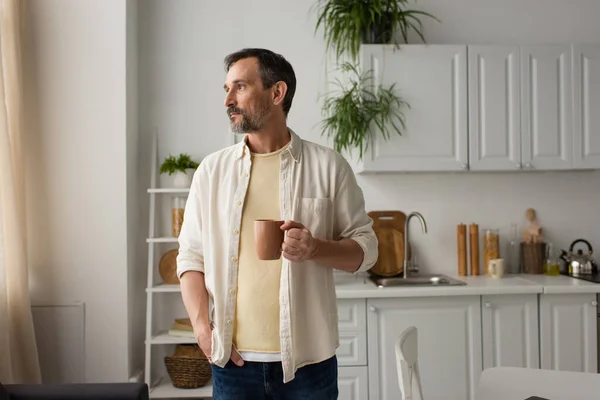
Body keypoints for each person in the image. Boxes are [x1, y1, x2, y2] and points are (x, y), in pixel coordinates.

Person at [176, 48, 378, 399]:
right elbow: (190, 257)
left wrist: (316, 248)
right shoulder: (212, 171)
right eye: (226, 89)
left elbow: (367, 250)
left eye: (239, 87)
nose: (227, 99)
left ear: (277, 93)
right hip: (233, 366)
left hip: (309, 367)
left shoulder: (328, 167)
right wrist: (202, 330)